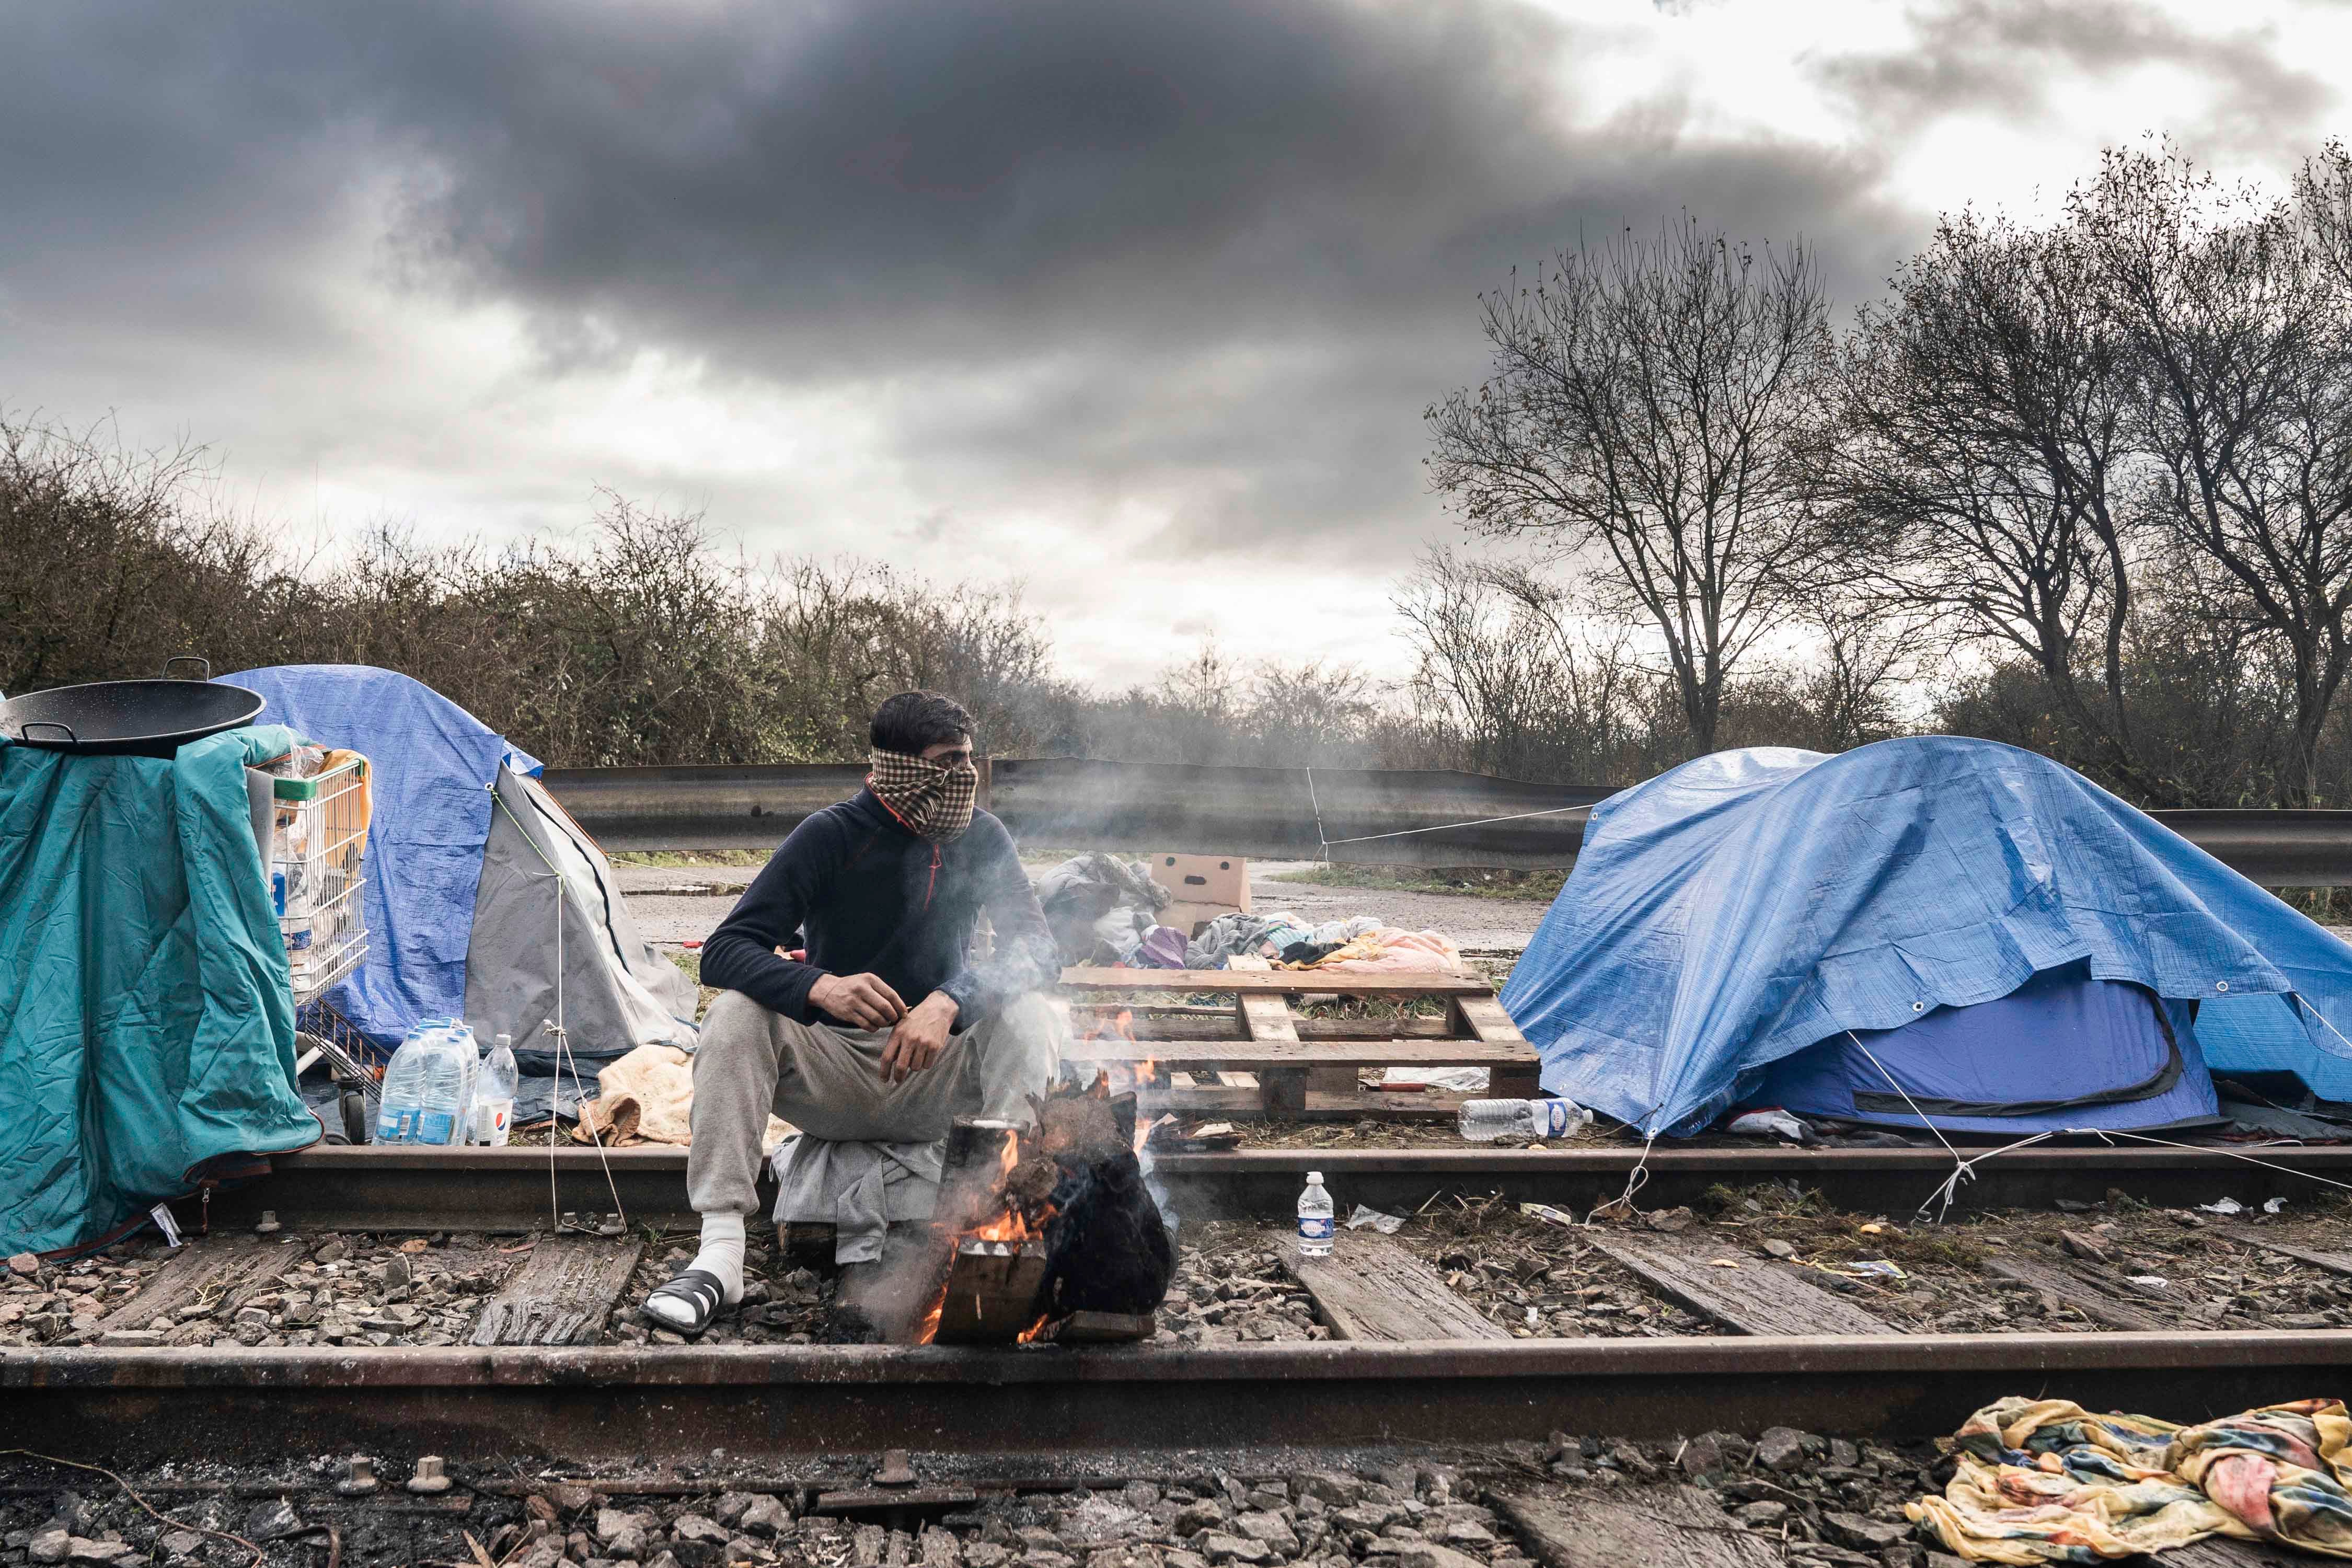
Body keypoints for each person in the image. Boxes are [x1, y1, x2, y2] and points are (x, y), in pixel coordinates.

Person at [641, 690, 1064, 1335]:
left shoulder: (982, 837)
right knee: (732, 1016)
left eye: (970, 760)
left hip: (936, 1076)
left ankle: (1001, 1230)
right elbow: (724, 952)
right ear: (897, 767)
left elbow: (1038, 949)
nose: (964, 778)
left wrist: (952, 1001)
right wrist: (817, 987)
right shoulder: (831, 834)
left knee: (1032, 1014)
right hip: (834, 1071)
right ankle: (720, 1256)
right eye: (947, 762)